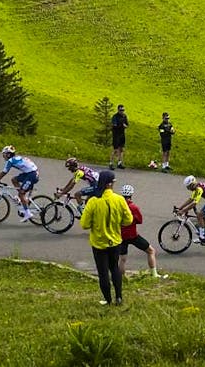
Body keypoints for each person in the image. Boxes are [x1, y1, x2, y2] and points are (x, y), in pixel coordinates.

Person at [79, 172, 133, 306]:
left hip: (98, 242)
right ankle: (119, 297)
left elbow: (84, 224)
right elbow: (129, 220)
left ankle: (108, 300)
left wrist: (95, 224)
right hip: (115, 240)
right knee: (114, 268)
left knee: (103, 272)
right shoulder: (119, 199)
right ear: (110, 184)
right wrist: (117, 222)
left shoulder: (93, 201)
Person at [118, 184, 163, 278]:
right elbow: (140, 220)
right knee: (151, 251)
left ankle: (120, 278)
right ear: (131, 195)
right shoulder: (133, 207)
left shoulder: (118, 206)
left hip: (121, 236)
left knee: (122, 259)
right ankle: (154, 274)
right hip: (133, 235)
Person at [0, 145, 40, 222]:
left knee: (21, 194)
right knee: (14, 179)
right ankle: (23, 200)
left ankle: (27, 213)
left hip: (32, 175)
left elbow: (3, 172)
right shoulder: (16, 158)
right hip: (31, 173)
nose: (3, 156)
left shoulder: (10, 161)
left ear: (8, 154)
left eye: (4, 154)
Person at [174, 175, 205, 243]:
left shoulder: (199, 189)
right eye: (187, 187)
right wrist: (180, 208)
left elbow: (194, 203)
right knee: (200, 218)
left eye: (189, 187)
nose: (188, 189)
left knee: (200, 215)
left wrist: (183, 211)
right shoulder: (196, 187)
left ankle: (202, 237)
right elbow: (191, 199)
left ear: (192, 184)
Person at [110, 104, 129, 170]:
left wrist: (125, 126)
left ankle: (120, 162)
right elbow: (114, 125)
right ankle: (111, 163)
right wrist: (120, 125)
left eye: (123, 110)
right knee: (115, 149)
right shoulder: (115, 117)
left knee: (121, 149)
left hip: (122, 134)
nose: (122, 111)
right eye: (121, 110)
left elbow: (127, 124)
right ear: (118, 110)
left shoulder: (124, 116)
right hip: (116, 134)